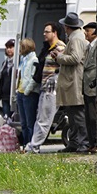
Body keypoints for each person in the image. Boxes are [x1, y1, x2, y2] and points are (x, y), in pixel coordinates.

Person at [25, 22, 66, 153]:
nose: (44, 34)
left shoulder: (60, 48)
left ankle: (34, 147)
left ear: (55, 33)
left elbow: (63, 68)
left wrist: (54, 79)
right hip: (45, 87)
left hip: (52, 88)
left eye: (47, 31)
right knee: (40, 117)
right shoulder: (49, 48)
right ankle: (32, 145)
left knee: (45, 118)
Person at [52, 12, 89, 153]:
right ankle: (74, 142)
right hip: (71, 81)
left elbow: (75, 58)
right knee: (73, 116)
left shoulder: (76, 39)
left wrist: (60, 57)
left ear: (67, 27)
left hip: (74, 81)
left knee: (78, 115)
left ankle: (83, 143)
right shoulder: (76, 38)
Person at [16, 38, 40, 147]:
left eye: (22, 47)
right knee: (23, 123)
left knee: (30, 122)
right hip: (20, 93)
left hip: (29, 94)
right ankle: (25, 144)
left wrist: (27, 91)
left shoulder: (34, 60)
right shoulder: (23, 60)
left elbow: (33, 78)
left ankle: (32, 144)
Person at [82, 22, 97, 153]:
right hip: (86, 85)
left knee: (94, 117)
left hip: (93, 86)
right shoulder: (89, 47)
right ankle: (91, 142)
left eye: (88, 31)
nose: (86, 33)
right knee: (88, 116)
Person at [0, 39, 16, 118]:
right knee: (6, 117)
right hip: (5, 95)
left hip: (14, 95)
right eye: (7, 47)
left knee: (14, 118)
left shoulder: (18, 62)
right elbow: (2, 78)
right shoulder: (5, 63)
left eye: (11, 47)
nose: (9, 49)